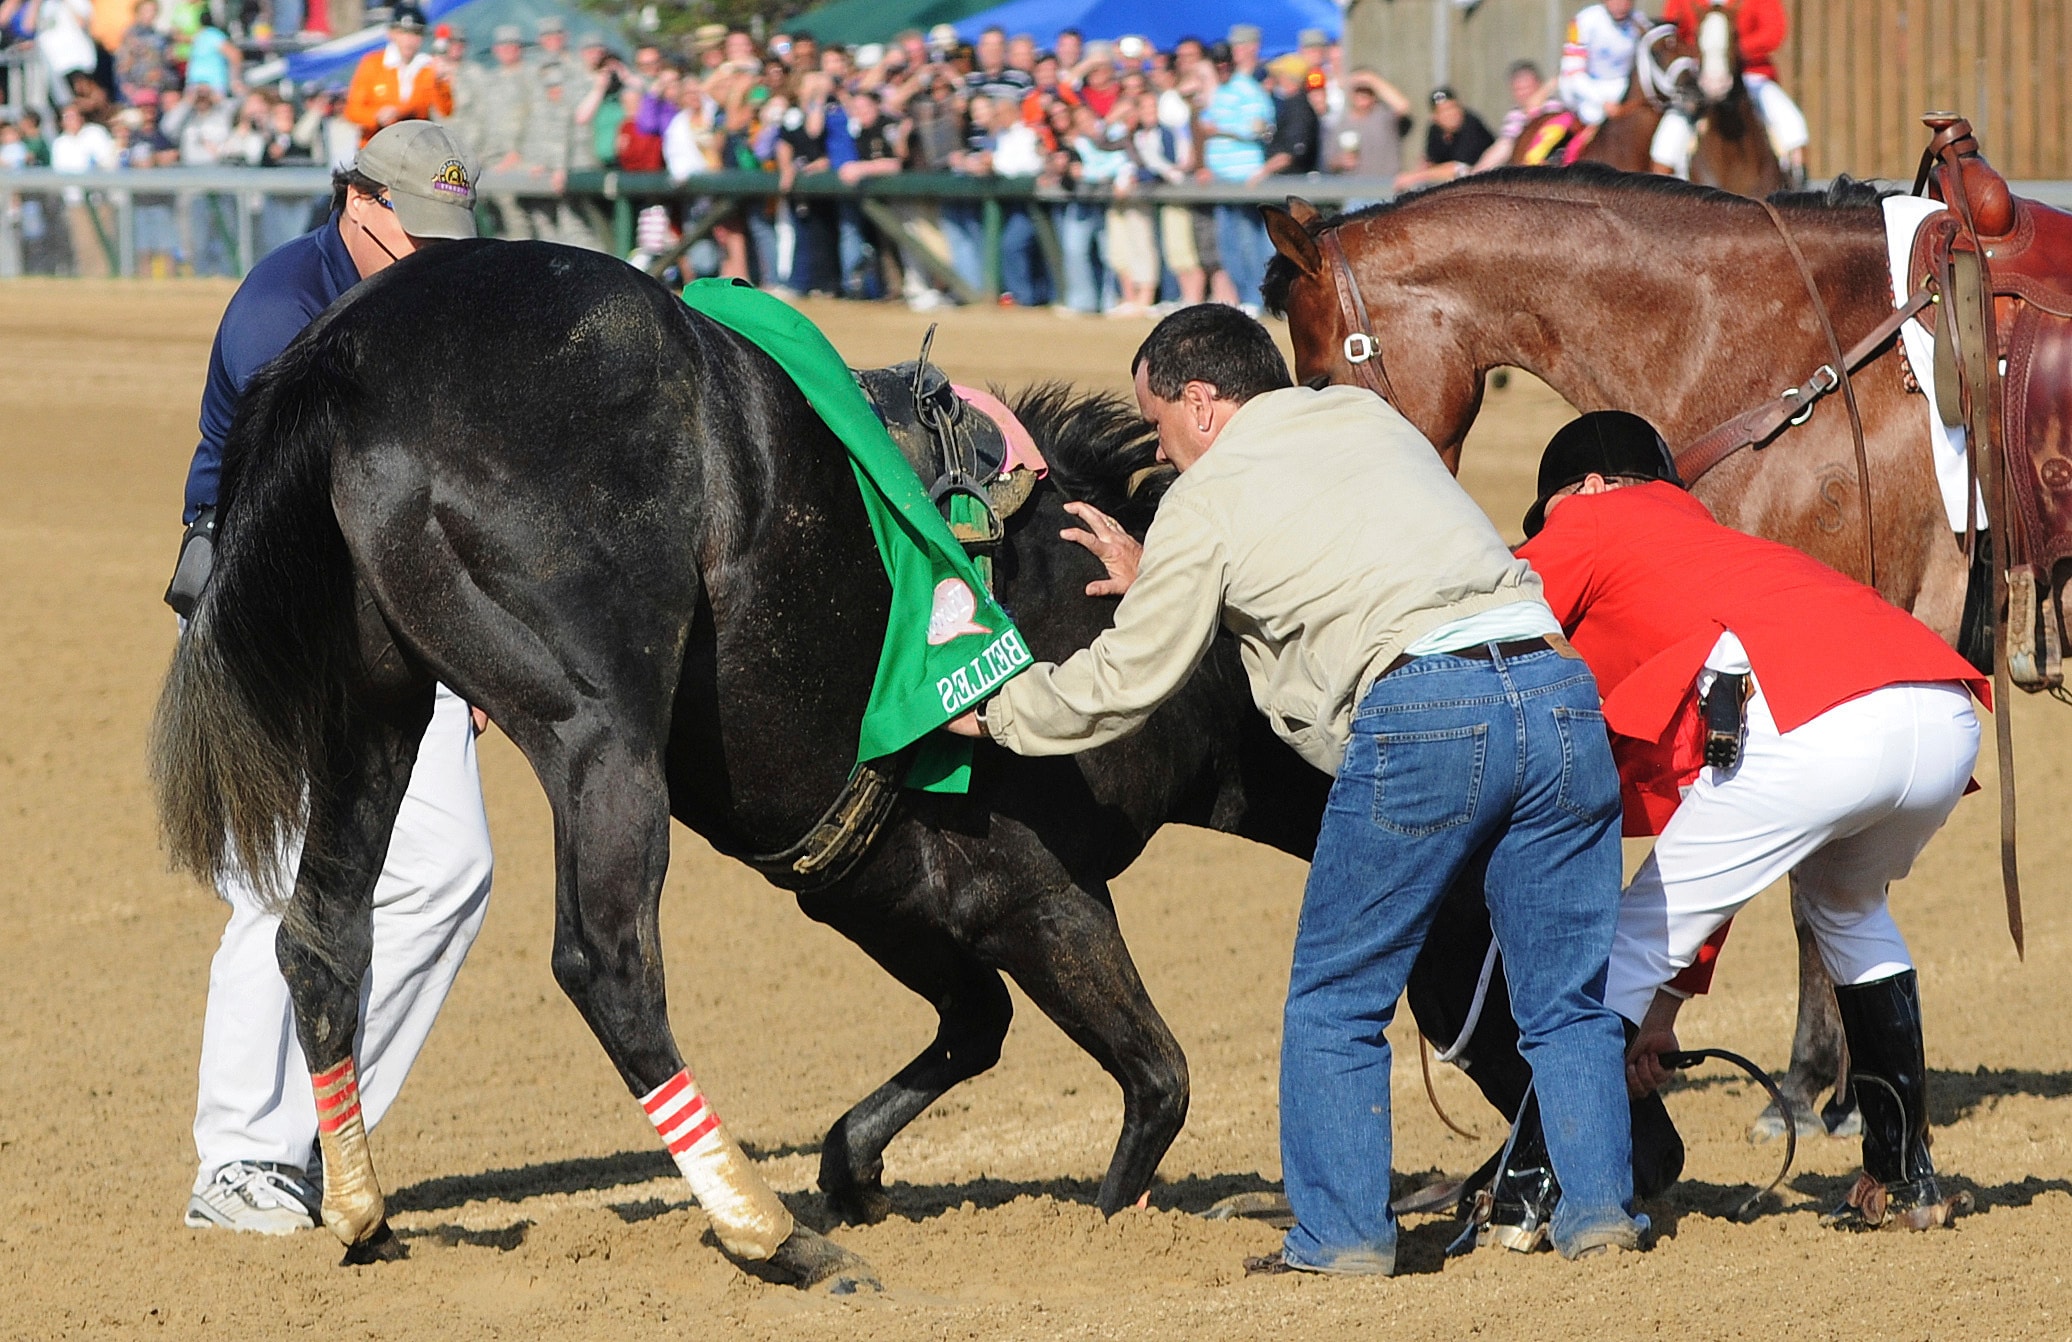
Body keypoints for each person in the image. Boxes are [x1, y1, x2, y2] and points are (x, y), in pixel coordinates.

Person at [946, 306, 1645, 1273]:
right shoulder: (1368, 417)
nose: (1160, 447)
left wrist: (998, 712)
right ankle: (1602, 1214)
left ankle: (1344, 1235)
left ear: (1201, 402)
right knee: (1565, 1000)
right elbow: (1344, 556)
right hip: (1557, 692)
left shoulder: (1204, 498)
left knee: (1337, 999)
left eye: (1158, 423)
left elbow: (1126, 682)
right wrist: (1169, 577)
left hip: (1427, 711)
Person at [1506, 411, 1985, 1233]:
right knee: (1846, 907)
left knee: (1621, 946)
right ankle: (1903, 1177)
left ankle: (1533, 1184)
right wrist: (1663, 1010)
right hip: (1939, 709)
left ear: (1589, 486)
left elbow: (1489, 612)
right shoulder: (1721, 546)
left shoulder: (1592, 515)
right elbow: (1722, 826)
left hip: (1810, 720)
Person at [174, 121, 495, 1235]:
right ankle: (239, 1160)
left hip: (397, 618)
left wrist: (474, 641)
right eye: (418, 235)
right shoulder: (282, 313)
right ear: (359, 203)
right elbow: (298, 526)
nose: (435, 258)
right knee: (276, 884)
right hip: (271, 618)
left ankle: (319, 1139)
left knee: (448, 872)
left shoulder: (430, 298)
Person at [1650, 0, 1807, 180]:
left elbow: (1773, 32)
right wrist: (1701, 52)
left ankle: (1797, 176)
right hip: (1698, 77)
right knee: (1668, 136)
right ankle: (1661, 183)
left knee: (1791, 122)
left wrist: (1731, 49)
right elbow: (1671, 33)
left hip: (1751, 73)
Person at [1197, 24, 1274, 311]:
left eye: (1225, 64)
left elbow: (1261, 129)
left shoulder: (1248, 90)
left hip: (1244, 176)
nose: (1221, 70)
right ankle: (1243, 297)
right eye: (1216, 65)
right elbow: (1206, 126)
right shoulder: (1218, 92)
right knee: (1227, 244)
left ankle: (1256, 297)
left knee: (1247, 240)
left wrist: (1223, 130)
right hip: (1221, 177)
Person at [344, 5, 451, 146]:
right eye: (403, 32)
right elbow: (352, 110)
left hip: (414, 146)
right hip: (377, 144)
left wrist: (440, 82)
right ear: (391, 33)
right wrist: (376, 116)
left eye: (415, 33)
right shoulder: (373, 64)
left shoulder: (427, 67)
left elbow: (446, 111)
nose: (409, 40)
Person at [1559, 0, 1650, 126]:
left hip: (1624, 88)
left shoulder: (1641, 22)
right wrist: (1602, 102)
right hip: (1587, 89)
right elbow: (1573, 74)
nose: (1620, 4)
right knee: (1593, 115)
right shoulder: (1584, 20)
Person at [1393, 87, 1494, 190]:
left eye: (1453, 107)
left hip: (1487, 184)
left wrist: (1414, 177)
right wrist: (1416, 178)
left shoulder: (1471, 125)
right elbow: (1430, 162)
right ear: (1435, 117)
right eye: (1444, 110)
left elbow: (1460, 169)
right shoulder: (1435, 129)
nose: (1451, 114)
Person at [1475, 59, 1565, 170]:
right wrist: (1477, 171)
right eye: (1518, 90)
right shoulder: (1516, 114)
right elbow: (1505, 144)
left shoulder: (1555, 107)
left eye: (1527, 88)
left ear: (1540, 85)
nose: (1523, 94)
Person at [1326, 68, 1410, 186]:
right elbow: (1330, 160)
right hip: (1354, 188)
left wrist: (1371, 79)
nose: (1362, 96)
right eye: (1358, 92)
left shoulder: (1383, 115)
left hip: (1387, 186)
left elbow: (1403, 106)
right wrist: (1341, 160)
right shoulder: (1342, 123)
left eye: (1367, 92)